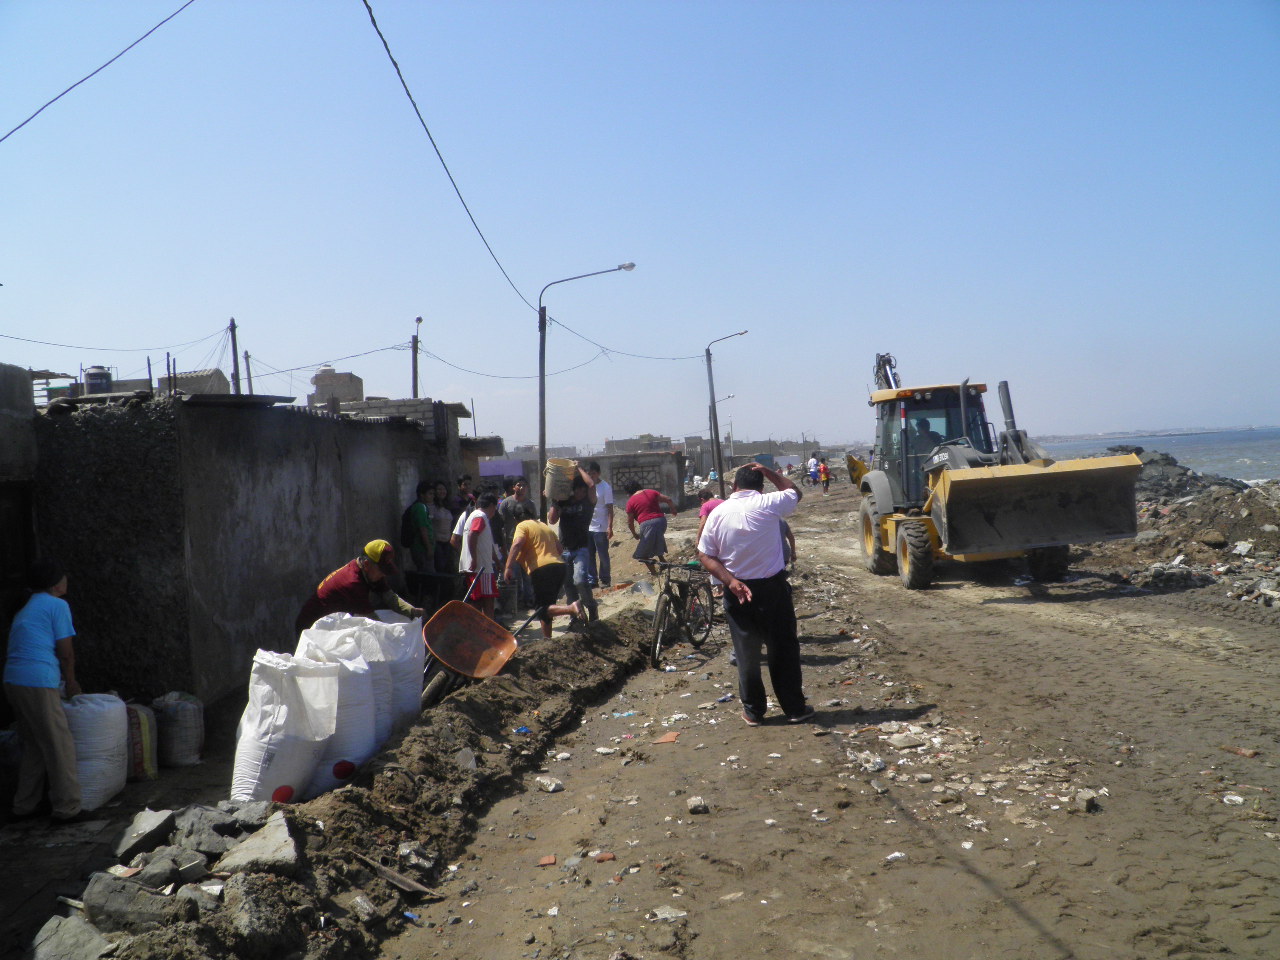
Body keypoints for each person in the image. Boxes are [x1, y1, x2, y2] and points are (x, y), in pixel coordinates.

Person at [697, 462, 811, 726]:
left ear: (735, 486)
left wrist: (730, 581)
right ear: (761, 487)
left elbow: (704, 554)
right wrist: (770, 471)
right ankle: (794, 709)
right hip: (772, 588)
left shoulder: (718, 512)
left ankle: (753, 712)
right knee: (782, 649)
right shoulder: (768, 503)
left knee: (746, 653)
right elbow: (795, 491)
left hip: (736, 591)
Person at [3, 560, 84, 823]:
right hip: (37, 681)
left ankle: (24, 806)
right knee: (59, 744)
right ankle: (67, 808)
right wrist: (71, 682)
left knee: (34, 745)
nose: (66, 580)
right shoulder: (56, 605)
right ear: (54, 583)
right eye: (63, 576)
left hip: (14, 681)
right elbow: (66, 653)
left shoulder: (27, 605)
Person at [294, 540, 423, 636]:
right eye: (382, 570)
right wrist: (395, 637)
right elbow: (373, 622)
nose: (384, 575)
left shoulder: (369, 572)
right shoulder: (353, 583)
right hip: (311, 628)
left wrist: (412, 611)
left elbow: (389, 596)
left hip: (331, 625)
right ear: (366, 564)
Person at [503, 518, 584, 638]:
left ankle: (571, 608)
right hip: (560, 566)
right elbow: (560, 549)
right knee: (547, 607)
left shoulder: (522, 526)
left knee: (541, 609)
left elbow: (517, 543)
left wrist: (508, 567)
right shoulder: (543, 526)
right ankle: (547, 639)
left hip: (541, 569)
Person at [548, 467, 599, 623]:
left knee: (580, 581)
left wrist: (578, 468)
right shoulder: (563, 502)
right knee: (569, 587)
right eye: (578, 490)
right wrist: (555, 502)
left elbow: (591, 485)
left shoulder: (588, 503)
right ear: (573, 490)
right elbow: (551, 520)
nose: (581, 493)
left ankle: (591, 607)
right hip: (564, 550)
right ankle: (575, 618)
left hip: (581, 548)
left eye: (583, 491)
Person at [458, 493, 502, 619]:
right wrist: (474, 559)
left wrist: (498, 563)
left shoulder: (474, 516)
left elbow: (487, 545)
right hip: (481, 569)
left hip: (478, 567)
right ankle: (486, 629)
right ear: (493, 506)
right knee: (487, 601)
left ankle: (481, 628)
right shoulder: (480, 516)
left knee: (479, 600)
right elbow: (473, 535)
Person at [498, 478, 539, 608]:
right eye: (518, 485)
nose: (521, 488)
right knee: (514, 575)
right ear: (513, 487)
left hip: (527, 545)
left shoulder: (530, 504)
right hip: (511, 544)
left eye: (524, 485)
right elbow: (500, 525)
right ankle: (516, 602)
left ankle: (529, 600)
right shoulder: (506, 503)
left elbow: (535, 523)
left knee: (528, 575)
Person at [625, 482, 677, 576]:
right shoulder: (651, 492)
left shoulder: (631, 501)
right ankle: (663, 563)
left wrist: (634, 534)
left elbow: (630, 522)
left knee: (642, 554)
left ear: (629, 492)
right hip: (662, 521)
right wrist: (673, 509)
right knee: (655, 539)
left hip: (647, 524)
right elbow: (668, 499)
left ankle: (654, 574)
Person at [586, 462, 615, 589]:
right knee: (589, 554)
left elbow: (610, 508)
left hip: (601, 527)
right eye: (590, 473)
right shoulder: (587, 486)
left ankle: (605, 579)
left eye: (594, 473)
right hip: (588, 527)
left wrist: (610, 526)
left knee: (603, 554)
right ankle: (592, 579)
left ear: (598, 473)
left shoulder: (605, 487)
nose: (592, 476)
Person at [407, 480, 435, 572]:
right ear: (422, 495)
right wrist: (429, 548)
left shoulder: (422, 506)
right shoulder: (420, 507)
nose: (432, 496)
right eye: (430, 494)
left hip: (422, 547)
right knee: (428, 575)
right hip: (421, 548)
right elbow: (422, 528)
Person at [429, 482, 456, 575]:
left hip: (448, 542)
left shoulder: (448, 506)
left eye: (443, 489)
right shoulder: (431, 506)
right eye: (439, 489)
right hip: (437, 542)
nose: (442, 491)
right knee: (440, 567)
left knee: (449, 567)